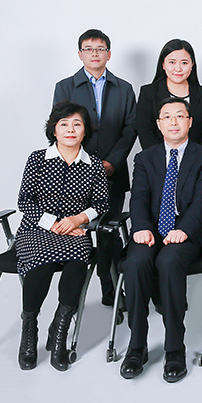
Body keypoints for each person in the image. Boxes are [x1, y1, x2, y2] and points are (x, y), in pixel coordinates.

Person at [120, 97, 202, 383]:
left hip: (190, 232)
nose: (173, 122)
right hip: (150, 229)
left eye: (180, 116)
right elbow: (138, 197)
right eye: (167, 117)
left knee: (169, 260)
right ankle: (137, 345)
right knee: (135, 262)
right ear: (159, 124)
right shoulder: (145, 158)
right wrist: (141, 227)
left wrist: (184, 229)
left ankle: (175, 348)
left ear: (190, 122)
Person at [15, 101, 109, 371]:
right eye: (64, 124)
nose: (70, 129)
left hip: (75, 230)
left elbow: (101, 203)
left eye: (77, 124)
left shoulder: (93, 165)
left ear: (85, 131)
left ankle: (60, 331)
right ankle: (29, 331)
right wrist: (53, 223)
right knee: (41, 262)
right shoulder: (37, 159)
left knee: (78, 262)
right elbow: (24, 200)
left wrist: (77, 219)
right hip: (36, 229)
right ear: (53, 130)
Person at [53, 29, 136, 306]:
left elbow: (130, 129)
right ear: (80, 54)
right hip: (75, 175)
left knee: (109, 232)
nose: (94, 53)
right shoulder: (65, 87)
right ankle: (72, 296)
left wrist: (112, 162)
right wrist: (86, 166)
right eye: (88, 49)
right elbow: (62, 129)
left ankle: (113, 290)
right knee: (78, 229)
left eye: (100, 49)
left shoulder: (124, 88)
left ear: (108, 54)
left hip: (114, 173)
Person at [136, 38, 202, 150]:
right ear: (163, 64)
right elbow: (146, 132)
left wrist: (196, 156)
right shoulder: (149, 93)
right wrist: (165, 157)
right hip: (158, 158)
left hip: (198, 158)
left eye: (184, 63)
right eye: (172, 62)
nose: (178, 68)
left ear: (192, 65)